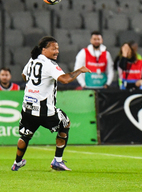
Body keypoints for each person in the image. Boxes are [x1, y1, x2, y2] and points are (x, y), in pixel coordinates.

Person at [11, 36, 91, 171]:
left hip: (28, 107)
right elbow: (65, 79)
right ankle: (57, 161)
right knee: (65, 123)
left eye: (58, 49)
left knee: (25, 135)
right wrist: (79, 71)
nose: (57, 51)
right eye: (53, 48)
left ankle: (17, 163)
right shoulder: (50, 64)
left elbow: (24, 75)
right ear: (44, 50)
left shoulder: (33, 60)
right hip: (44, 109)